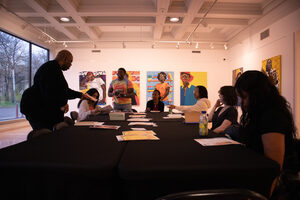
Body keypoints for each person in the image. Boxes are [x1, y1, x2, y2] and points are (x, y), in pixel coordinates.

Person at [235, 70, 297, 198]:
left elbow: (273, 167)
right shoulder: (261, 113)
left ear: (257, 95)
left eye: (244, 97)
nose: (241, 103)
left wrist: (262, 196)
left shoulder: (272, 117)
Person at [20, 50, 90, 130]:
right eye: (70, 62)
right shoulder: (51, 69)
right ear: (64, 59)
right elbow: (51, 92)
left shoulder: (52, 68)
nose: (70, 65)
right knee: (44, 134)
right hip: (36, 108)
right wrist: (62, 104)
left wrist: (80, 95)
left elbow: (62, 90)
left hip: (37, 107)